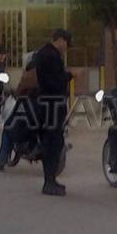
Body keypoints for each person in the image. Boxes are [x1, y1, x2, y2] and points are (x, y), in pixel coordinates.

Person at [33, 29, 73, 196]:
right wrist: (69, 75)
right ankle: (49, 181)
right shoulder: (52, 56)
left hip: (46, 103)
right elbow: (55, 81)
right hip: (52, 105)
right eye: (66, 44)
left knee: (50, 142)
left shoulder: (43, 53)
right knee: (53, 143)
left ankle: (50, 180)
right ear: (61, 40)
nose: (66, 48)